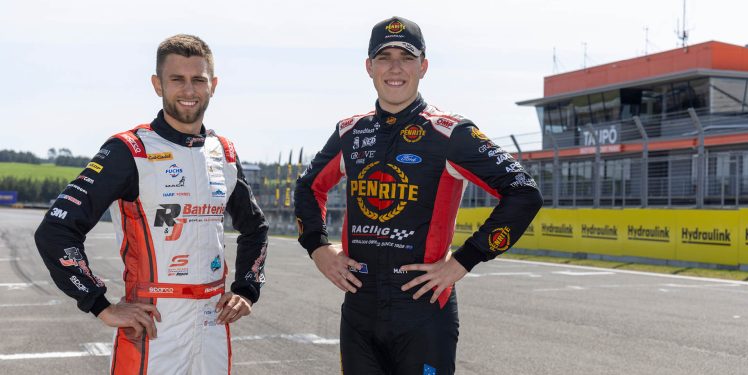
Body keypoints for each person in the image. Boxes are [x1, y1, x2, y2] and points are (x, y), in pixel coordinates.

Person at [294, 16, 543, 374]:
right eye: (384, 57)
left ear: (423, 66)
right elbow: (308, 186)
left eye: (406, 57)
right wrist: (318, 247)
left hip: (424, 315)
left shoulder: (450, 132)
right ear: (369, 66)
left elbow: (523, 192)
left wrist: (463, 261)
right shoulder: (350, 132)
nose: (395, 67)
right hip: (359, 314)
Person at [35, 34, 268, 374]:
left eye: (198, 80)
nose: (189, 91)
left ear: (213, 85)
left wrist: (247, 289)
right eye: (177, 80)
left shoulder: (224, 153)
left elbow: (255, 227)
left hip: (213, 325)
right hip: (154, 326)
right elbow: (56, 230)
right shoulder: (129, 150)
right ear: (158, 85)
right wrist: (99, 304)